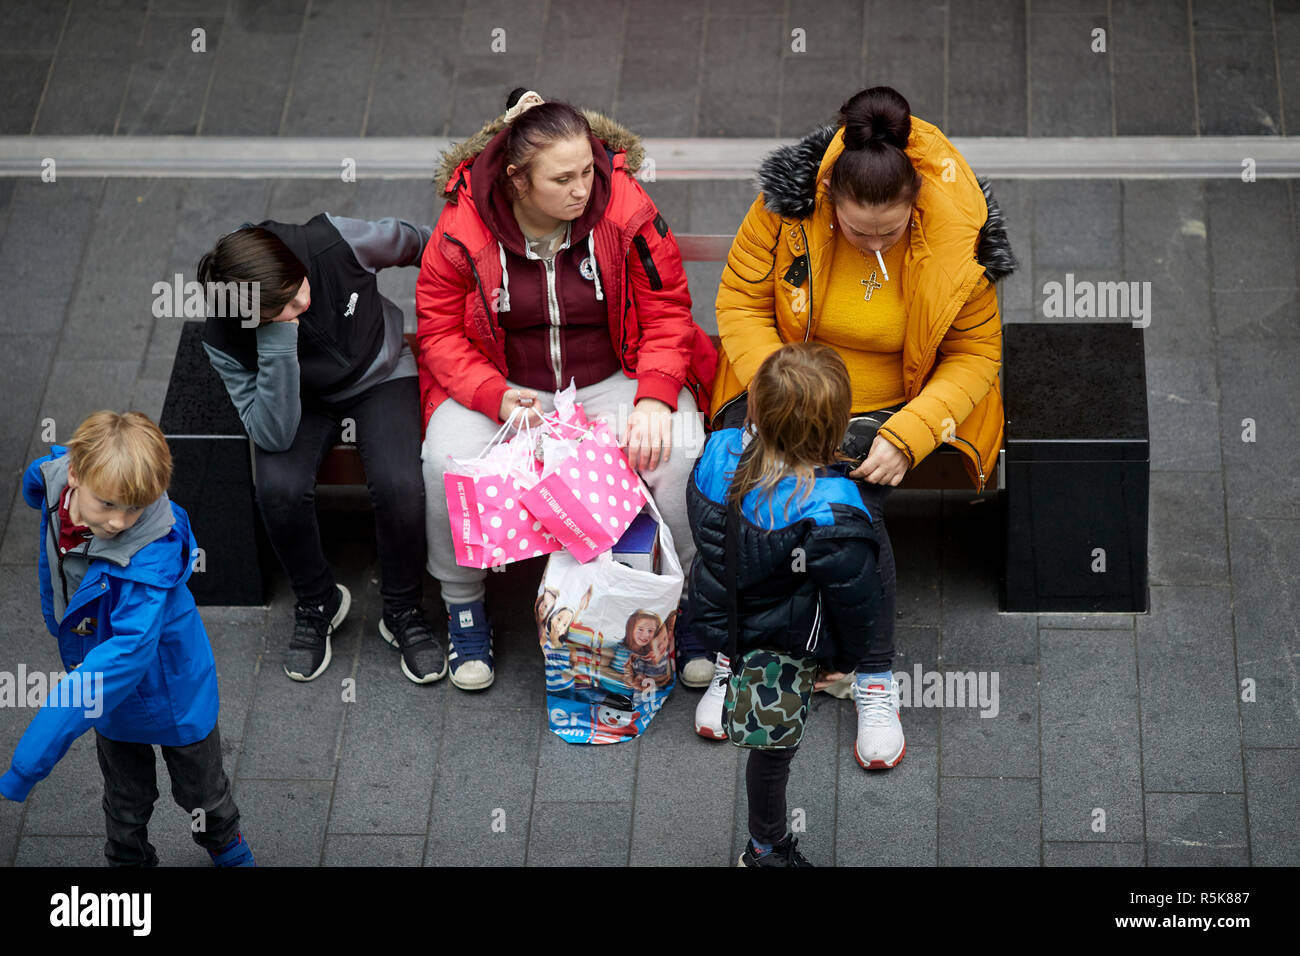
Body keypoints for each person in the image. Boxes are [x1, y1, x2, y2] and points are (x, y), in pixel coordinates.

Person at [706, 86, 1016, 769]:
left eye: (890, 229)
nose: (874, 242)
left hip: (891, 409)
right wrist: (777, 390)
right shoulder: (784, 211)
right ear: (829, 202)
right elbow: (741, 301)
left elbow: (975, 354)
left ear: (917, 206)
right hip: (786, 389)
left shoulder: (959, 240)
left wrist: (909, 435)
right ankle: (741, 659)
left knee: (852, 520)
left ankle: (873, 676)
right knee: (735, 500)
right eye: (857, 229)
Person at [417, 88, 717, 691]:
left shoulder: (624, 209)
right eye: (563, 179)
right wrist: (492, 395)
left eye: (587, 170)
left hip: (614, 376)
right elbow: (439, 331)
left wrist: (656, 395)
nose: (583, 189)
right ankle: (465, 607)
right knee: (444, 458)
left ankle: (682, 607)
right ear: (517, 182)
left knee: (679, 448)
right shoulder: (462, 226)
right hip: (506, 388)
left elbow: (665, 309)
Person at [198, 213, 444, 685]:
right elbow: (273, 433)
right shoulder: (226, 335)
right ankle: (318, 603)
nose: (303, 302)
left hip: (381, 369)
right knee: (278, 489)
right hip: (301, 403)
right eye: (285, 307)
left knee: (400, 486)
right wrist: (277, 341)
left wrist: (454, 309)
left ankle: (403, 610)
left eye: (298, 287)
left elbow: (421, 242)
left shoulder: (333, 241)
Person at [0, 411, 254, 867]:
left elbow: (121, 661)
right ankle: (128, 860)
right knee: (124, 799)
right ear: (76, 475)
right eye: (109, 505)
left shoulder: (147, 562)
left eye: (135, 508)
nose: (119, 522)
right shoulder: (60, 480)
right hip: (105, 685)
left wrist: (28, 763)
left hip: (168, 688)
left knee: (201, 793)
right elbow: (42, 479)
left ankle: (226, 844)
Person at [687, 344, 882, 866]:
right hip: (787, 645)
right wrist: (844, 661)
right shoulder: (833, 510)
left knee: (765, 748)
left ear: (753, 406)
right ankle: (765, 850)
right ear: (834, 427)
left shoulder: (716, 451)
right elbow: (857, 601)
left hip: (727, 617)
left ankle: (727, 672)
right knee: (774, 755)